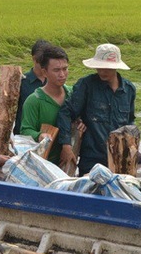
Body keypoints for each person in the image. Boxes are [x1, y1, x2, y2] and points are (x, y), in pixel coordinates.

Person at [56, 43, 135, 175]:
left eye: (107, 68)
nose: (102, 71)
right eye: (99, 67)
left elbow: (130, 123)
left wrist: (131, 150)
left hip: (119, 159)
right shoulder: (86, 86)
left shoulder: (129, 90)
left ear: (115, 68)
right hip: (92, 159)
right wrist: (66, 144)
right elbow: (66, 112)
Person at [20, 45, 72, 164]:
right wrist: (40, 135)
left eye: (65, 69)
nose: (62, 74)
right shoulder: (34, 100)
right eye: (56, 70)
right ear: (44, 72)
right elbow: (25, 130)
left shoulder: (73, 94)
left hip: (70, 161)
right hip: (44, 162)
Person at [15, 39, 51, 134]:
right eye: (42, 62)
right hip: (24, 137)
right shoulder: (21, 82)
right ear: (34, 59)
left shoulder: (54, 82)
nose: (45, 66)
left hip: (49, 136)